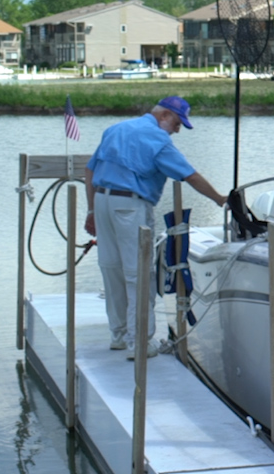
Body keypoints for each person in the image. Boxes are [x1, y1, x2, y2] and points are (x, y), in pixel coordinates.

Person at [84, 96, 227, 359]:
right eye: (177, 122)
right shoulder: (159, 141)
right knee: (138, 273)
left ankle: (118, 335)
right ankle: (139, 343)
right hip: (130, 205)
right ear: (163, 116)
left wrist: (91, 209)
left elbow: (89, 170)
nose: (178, 129)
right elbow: (190, 176)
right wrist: (219, 199)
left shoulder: (116, 129)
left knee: (111, 269)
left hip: (102, 200)